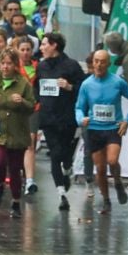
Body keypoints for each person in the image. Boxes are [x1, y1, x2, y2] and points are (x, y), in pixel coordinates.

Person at [76, 48, 128, 209]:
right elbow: (79, 107)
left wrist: (127, 121)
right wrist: (81, 119)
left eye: (102, 62)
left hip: (113, 128)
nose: (99, 65)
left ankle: (117, 181)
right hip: (94, 130)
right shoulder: (86, 84)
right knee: (101, 168)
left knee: (112, 160)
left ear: (108, 64)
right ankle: (106, 200)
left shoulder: (118, 82)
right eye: (96, 61)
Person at [35, 33, 88, 211]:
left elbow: (84, 87)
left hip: (66, 117)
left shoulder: (71, 65)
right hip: (48, 117)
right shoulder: (41, 66)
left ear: (54, 45)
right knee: (55, 153)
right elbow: (37, 88)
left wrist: (70, 87)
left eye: (44, 45)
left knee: (64, 153)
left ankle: (68, 167)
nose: (41, 48)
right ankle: (61, 194)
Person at [0, 50, 35, 216]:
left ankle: (16, 202)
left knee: (15, 168)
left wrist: (22, 102)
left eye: (9, 63)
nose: (5, 67)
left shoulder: (23, 83)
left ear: (15, 65)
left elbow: (32, 106)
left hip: (17, 131)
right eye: (3, 63)